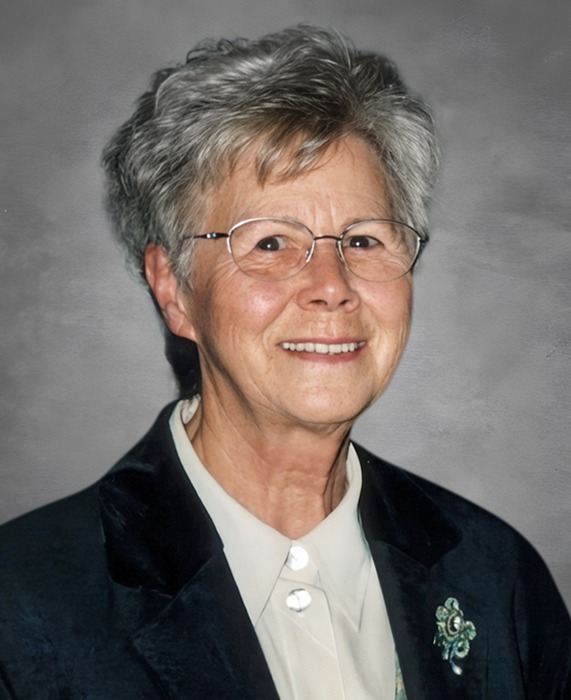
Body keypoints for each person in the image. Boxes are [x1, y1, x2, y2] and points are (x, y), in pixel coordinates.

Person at [0, 25, 569, 700]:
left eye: (363, 239)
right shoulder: (24, 607)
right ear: (173, 288)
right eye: (270, 243)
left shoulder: (495, 576)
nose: (331, 285)